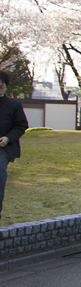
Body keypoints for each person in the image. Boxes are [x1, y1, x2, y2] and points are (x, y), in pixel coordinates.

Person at [0, 71, 29, 219]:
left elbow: (21, 125)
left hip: (3, 149)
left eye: (1, 87)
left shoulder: (14, 105)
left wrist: (8, 138)